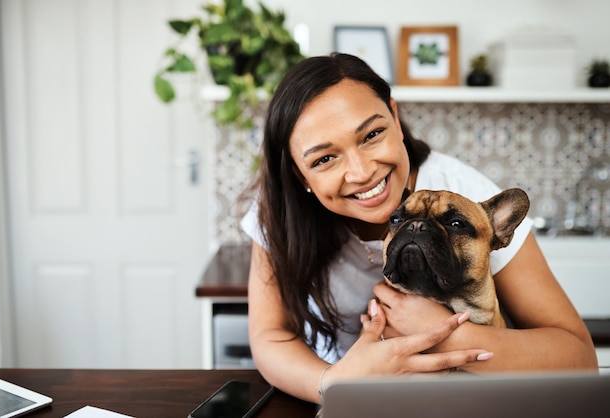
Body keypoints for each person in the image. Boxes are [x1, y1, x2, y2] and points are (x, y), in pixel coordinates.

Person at [240, 53, 597, 404]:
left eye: (372, 134)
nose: (362, 172)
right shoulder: (280, 210)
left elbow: (579, 359)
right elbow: (269, 335)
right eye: (324, 158)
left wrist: (445, 336)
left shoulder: (468, 200)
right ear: (298, 174)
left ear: (395, 117)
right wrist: (333, 383)